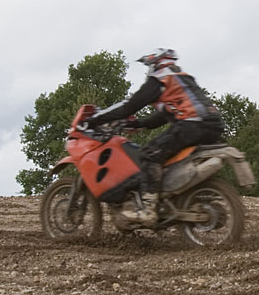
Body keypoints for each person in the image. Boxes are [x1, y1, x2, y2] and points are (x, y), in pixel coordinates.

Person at [85, 48, 225, 226]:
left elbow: (129, 107)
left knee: (149, 154)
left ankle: (148, 209)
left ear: (154, 63)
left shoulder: (159, 77)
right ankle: (180, 197)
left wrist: (96, 119)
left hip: (191, 125)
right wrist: (138, 124)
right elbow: (163, 116)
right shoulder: (182, 77)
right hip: (213, 125)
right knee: (169, 158)